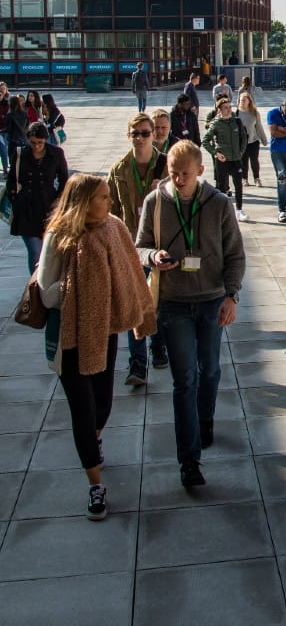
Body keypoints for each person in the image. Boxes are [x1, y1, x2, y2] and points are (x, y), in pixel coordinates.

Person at [38, 173, 155, 519]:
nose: (109, 202)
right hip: (70, 336)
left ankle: (95, 438)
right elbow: (46, 290)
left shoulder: (113, 227)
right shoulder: (60, 235)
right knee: (83, 410)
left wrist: (119, 302)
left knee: (102, 403)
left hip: (103, 330)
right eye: (103, 197)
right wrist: (83, 290)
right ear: (84, 202)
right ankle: (95, 485)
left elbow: (129, 269)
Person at [136, 141, 245, 487]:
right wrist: (152, 256)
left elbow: (235, 254)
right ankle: (189, 460)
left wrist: (231, 295)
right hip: (174, 301)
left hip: (212, 299)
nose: (179, 180)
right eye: (173, 173)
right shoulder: (155, 202)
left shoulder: (218, 204)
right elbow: (138, 246)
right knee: (184, 379)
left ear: (200, 170)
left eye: (185, 173)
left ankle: (206, 416)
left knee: (209, 369)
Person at [107, 112, 170, 385]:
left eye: (146, 133)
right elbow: (109, 212)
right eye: (137, 134)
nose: (142, 138)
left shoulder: (166, 165)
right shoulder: (119, 170)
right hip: (130, 245)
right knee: (134, 304)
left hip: (160, 245)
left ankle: (158, 345)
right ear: (128, 135)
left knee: (156, 301)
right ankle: (137, 363)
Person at [7, 121, 69, 273]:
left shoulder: (56, 153)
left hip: (49, 207)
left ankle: (46, 283)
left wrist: (59, 203)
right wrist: (16, 201)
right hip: (26, 208)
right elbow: (11, 180)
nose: (36, 146)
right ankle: (34, 286)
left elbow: (64, 180)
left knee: (50, 251)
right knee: (35, 252)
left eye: (40, 143)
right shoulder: (20, 153)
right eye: (33, 142)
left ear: (46, 140)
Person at [202, 95, 249, 222]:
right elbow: (205, 141)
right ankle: (221, 212)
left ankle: (239, 210)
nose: (228, 110)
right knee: (222, 187)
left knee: (238, 185)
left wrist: (241, 151)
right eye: (225, 108)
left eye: (230, 107)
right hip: (223, 160)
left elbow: (244, 137)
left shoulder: (237, 121)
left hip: (236, 159)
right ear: (219, 110)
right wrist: (215, 153)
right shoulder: (216, 124)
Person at [237, 92, 268, 187]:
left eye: (244, 100)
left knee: (254, 160)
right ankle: (244, 178)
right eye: (241, 100)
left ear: (249, 102)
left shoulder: (254, 113)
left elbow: (259, 127)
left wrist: (264, 139)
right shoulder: (236, 113)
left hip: (253, 140)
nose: (242, 102)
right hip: (242, 142)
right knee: (244, 161)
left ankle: (257, 178)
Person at [0, 81, 9, 175]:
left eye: (3, 89)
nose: (1, 91)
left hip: (4, 130)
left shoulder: (8, 102)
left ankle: (6, 169)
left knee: (4, 150)